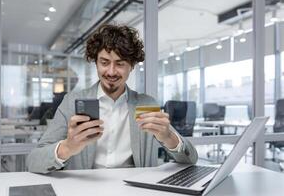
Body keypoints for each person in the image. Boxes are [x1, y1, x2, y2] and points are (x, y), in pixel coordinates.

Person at [27, 24, 198, 174]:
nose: (111, 71)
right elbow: (33, 161)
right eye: (104, 62)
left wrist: (168, 137)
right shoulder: (72, 101)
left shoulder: (146, 104)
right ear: (96, 62)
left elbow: (191, 158)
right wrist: (67, 147)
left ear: (131, 66)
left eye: (120, 63)